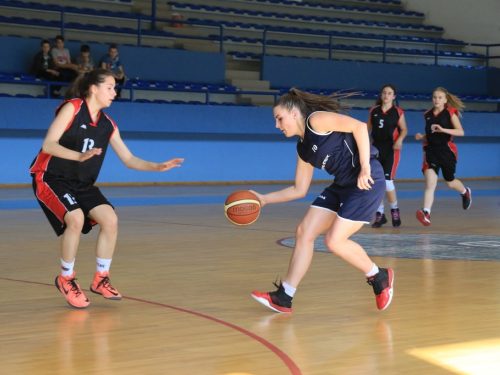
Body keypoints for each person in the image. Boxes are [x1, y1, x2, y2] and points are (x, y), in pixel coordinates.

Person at [29, 69, 184, 309]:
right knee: (76, 220)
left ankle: (101, 278)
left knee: (110, 220)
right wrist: (79, 156)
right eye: (110, 87)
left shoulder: (108, 125)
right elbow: (48, 144)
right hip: (51, 177)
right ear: (94, 88)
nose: (114, 92)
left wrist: (157, 166)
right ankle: (66, 277)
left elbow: (129, 159)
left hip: (81, 183)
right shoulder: (73, 108)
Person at [250, 88, 394, 313]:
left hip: (366, 181)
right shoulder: (302, 148)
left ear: (295, 113)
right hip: (343, 185)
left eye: (280, 119)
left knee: (334, 241)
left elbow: (359, 127)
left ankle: (379, 276)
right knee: (304, 232)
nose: (277, 125)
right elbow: (299, 189)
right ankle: (285, 296)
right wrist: (264, 199)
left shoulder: (316, 121)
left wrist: (365, 167)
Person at [415, 87, 471, 226]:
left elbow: (460, 132)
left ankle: (465, 192)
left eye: (439, 97)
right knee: (430, 184)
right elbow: (432, 132)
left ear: (445, 100)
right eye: (434, 97)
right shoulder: (427, 114)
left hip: (446, 151)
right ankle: (426, 212)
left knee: (450, 182)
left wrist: (443, 129)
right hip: (431, 151)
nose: (436, 100)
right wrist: (422, 136)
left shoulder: (450, 113)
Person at [367, 84, 408, 228]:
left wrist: (399, 140)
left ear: (394, 96)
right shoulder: (374, 111)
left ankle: (395, 211)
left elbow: (404, 129)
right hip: (375, 148)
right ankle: (380, 215)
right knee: (376, 182)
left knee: (388, 182)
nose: (386, 95)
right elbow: (366, 130)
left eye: (389, 93)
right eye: (384, 92)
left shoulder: (398, 112)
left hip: (391, 148)